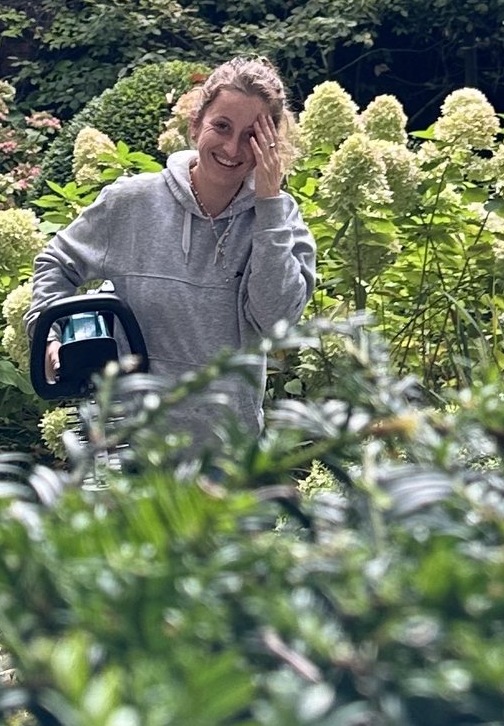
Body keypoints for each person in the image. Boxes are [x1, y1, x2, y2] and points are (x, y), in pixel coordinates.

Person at [26, 56, 316, 440]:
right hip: (129, 445)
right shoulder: (131, 202)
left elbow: (275, 322)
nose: (233, 147)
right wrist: (48, 335)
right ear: (196, 124)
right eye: (222, 126)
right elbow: (56, 263)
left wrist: (268, 205)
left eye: (251, 136)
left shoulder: (280, 221)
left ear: (271, 144)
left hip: (227, 453)